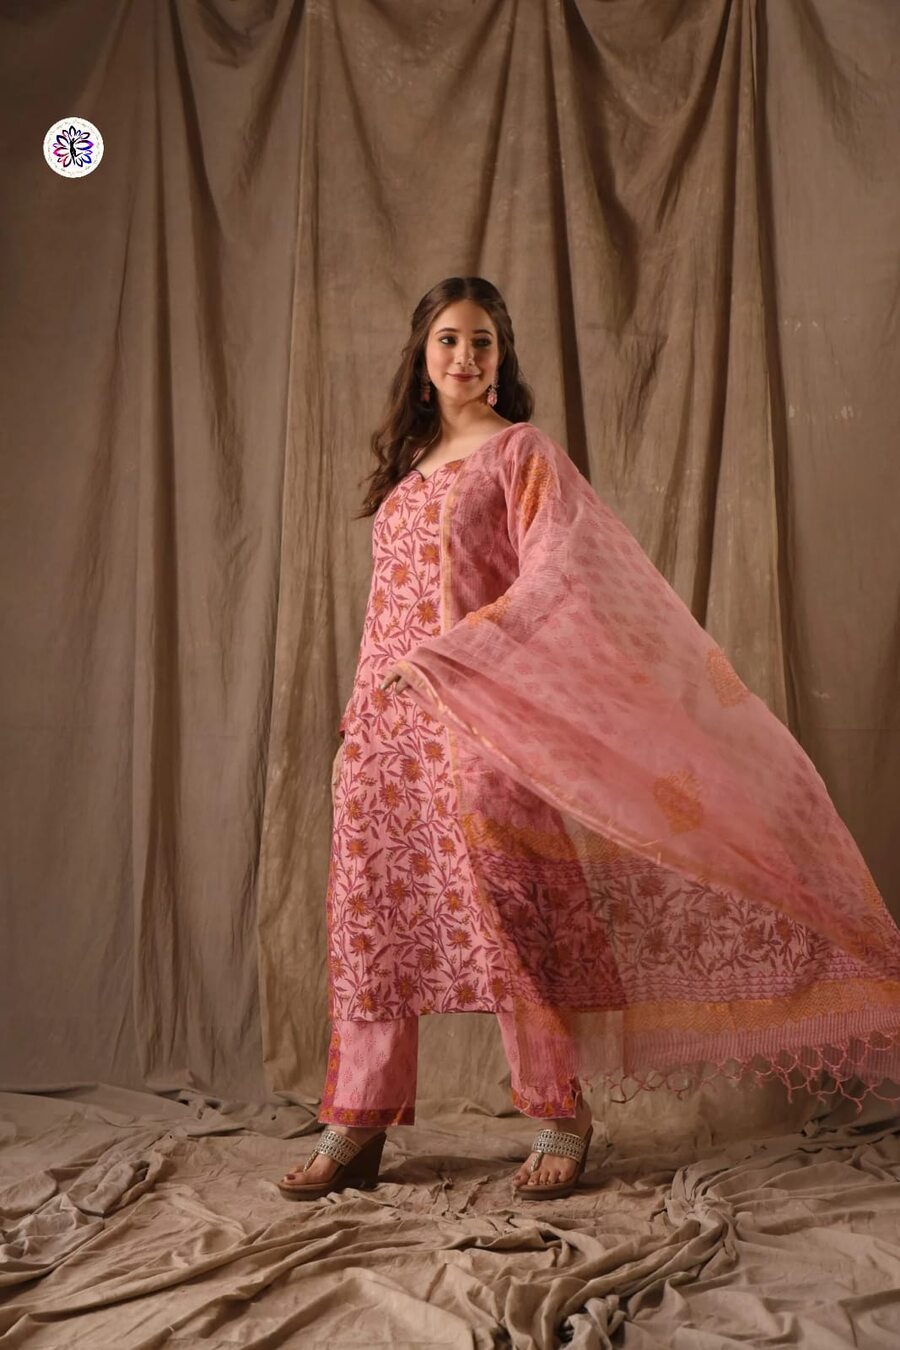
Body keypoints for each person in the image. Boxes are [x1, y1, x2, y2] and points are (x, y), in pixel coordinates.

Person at [278, 276, 900, 1203]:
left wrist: (454, 657)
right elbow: (382, 616)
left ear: (502, 358)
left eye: (482, 342)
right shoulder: (407, 476)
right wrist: (356, 725)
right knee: (373, 923)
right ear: (421, 358)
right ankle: (356, 1123)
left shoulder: (519, 454)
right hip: (387, 735)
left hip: (486, 725)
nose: (465, 357)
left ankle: (559, 1113)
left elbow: (558, 578)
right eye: (448, 340)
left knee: (512, 920)